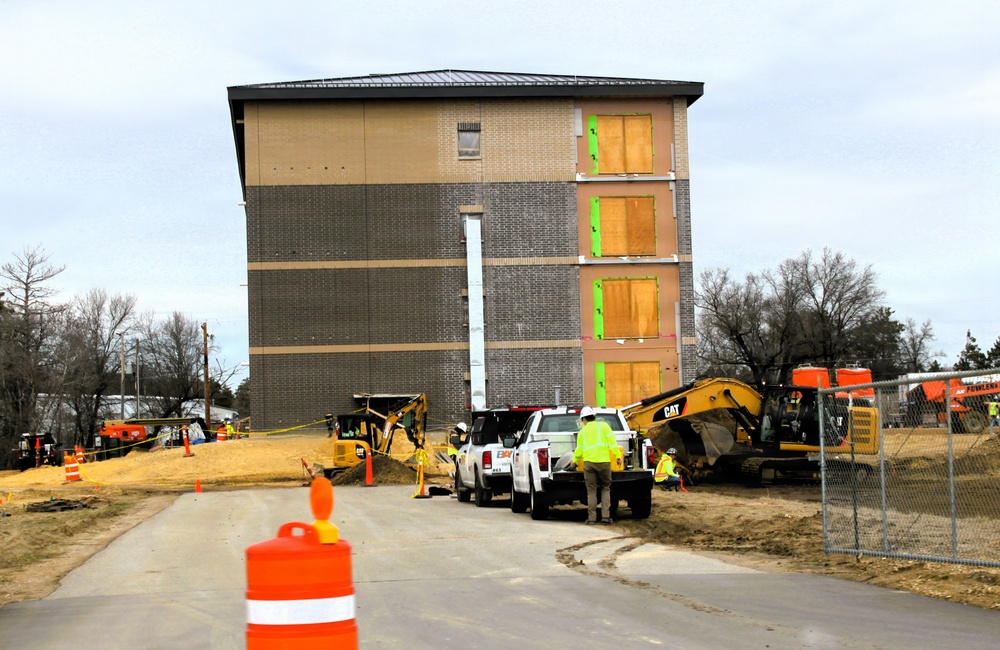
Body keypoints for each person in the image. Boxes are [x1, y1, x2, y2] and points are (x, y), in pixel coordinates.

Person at [573, 406, 622, 525]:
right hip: (604, 462)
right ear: (594, 416)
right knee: (605, 488)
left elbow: (579, 450)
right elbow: (613, 444)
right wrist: (618, 456)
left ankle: (592, 518)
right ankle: (605, 516)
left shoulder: (582, 432)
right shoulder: (604, 426)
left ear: (584, 419)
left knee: (591, 491)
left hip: (589, 463)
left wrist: (574, 461)